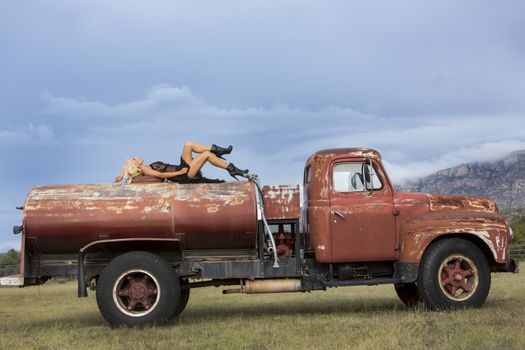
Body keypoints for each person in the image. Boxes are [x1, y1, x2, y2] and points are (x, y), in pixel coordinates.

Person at [114, 141, 249, 184]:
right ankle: (232, 169)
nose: (136, 157)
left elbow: (126, 170)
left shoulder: (144, 166)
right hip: (184, 175)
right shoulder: (145, 169)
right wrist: (180, 172)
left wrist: (121, 174)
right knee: (206, 155)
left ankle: (218, 151)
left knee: (188, 145)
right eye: (134, 159)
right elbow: (161, 176)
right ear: (135, 165)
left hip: (182, 169)